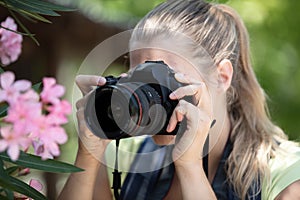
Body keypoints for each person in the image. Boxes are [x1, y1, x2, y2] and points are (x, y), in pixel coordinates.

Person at [58, 0, 300, 199]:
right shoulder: (126, 157)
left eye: (162, 79)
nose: (148, 96)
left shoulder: (286, 173)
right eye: (137, 79)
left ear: (221, 77)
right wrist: (88, 155)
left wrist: (190, 166)